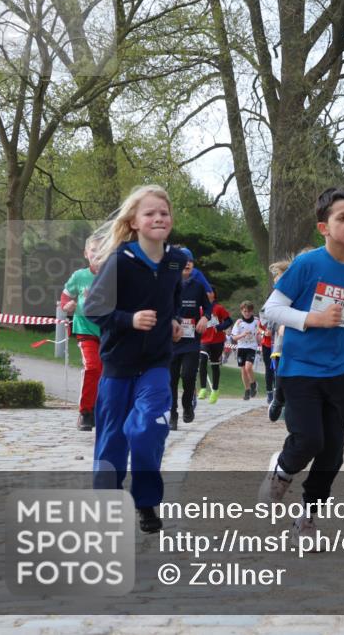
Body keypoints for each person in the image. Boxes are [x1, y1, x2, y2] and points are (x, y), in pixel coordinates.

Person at [257, 187, 344, 546]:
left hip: (339, 370)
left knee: (332, 453)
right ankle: (281, 470)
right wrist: (313, 318)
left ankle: (307, 518)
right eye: (343, 218)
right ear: (324, 227)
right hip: (300, 368)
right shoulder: (307, 265)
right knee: (309, 439)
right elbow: (271, 310)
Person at [83, 184, 186, 534]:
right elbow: (93, 308)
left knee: (147, 433)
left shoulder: (176, 260)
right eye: (150, 213)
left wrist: (172, 322)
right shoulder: (120, 261)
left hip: (156, 365)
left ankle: (146, 503)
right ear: (134, 221)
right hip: (118, 366)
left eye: (164, 212)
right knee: (112, 440)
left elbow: (171, 297)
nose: (159, 218)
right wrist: (129, 319)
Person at [61, 235, 104, 431]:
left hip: (110, 332)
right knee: (93, 367)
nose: (97, 254)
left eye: (102, 250)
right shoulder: (79, 276)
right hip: (85, 330)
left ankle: (103, 411)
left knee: (108, 373)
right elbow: (66, 296)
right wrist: (67, 306)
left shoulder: (115, 276)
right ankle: (85, 412)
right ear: (86, 254)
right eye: (93, 250)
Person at [168, 247, 211, 429]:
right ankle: (173, 415)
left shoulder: (198, 286)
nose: (187, 264)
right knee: (170, 380)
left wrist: (204, 317)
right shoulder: (168, 285)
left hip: (192, 340)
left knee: (187, 376)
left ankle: (187, 405)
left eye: (190, 261)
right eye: (183, 261)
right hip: (171, 340)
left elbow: (209, 307)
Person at [266, 258, 295, 422]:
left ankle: (289, 407)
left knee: (296, 378)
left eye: (281, 278)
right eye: (276, 279)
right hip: (281, 345)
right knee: (281, 375)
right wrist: (278, 327)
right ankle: (278, 400)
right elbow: (269, 317)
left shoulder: (299, 293)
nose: (278, 282)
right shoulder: (275, 296)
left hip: (299, 345)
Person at [198, 287, 232, 404]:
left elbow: (229, 321)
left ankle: (215, 390)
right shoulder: (200, 308)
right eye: (206, 292)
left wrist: (219, 328)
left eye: (210, 292)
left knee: (214, 365)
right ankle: (203, 388)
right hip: (204, 341)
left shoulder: (219, 308)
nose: (208, 294)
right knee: (202, 360)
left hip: (217, 341)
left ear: (214, 294)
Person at [230, 301, 260, 400]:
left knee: (248, 367)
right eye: (245, 311)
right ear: (241, 311)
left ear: (252, 311)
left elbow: (260, 331)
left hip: (251, 346)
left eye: (249, 311)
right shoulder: (239, 322)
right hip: (241, 347)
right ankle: (247, 390)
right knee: (243, 370)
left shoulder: (256, 320)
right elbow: (233, 338)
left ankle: (253, 384)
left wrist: (260, 338)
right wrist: (243, 335)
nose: (247, 313)